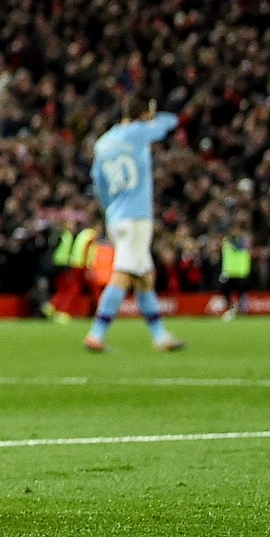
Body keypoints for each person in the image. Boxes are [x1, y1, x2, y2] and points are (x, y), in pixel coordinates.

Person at [85, 105, 186, 353]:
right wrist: (156, 117)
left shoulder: (104, 142)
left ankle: (160, 337)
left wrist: (110, 211)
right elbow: (167, 124)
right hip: (137, 216)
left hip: (116, 216)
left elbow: (98, 182)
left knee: (144, 276)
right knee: (124, 273)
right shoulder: (139, 132)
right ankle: (96, 334)